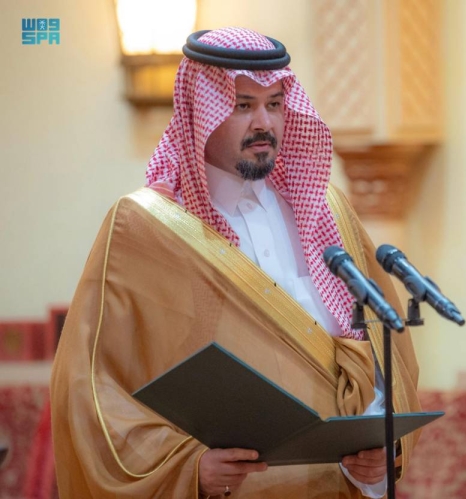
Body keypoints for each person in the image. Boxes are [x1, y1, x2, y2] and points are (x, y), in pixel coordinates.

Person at [50, 27, 421, 498]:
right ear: (199, 113)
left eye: (275, 104)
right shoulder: (143, 229)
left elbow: (386, 348)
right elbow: (91, 390)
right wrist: (190, 468)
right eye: (243, 105)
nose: (263, 122)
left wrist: (381, 448)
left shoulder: (327, 211)